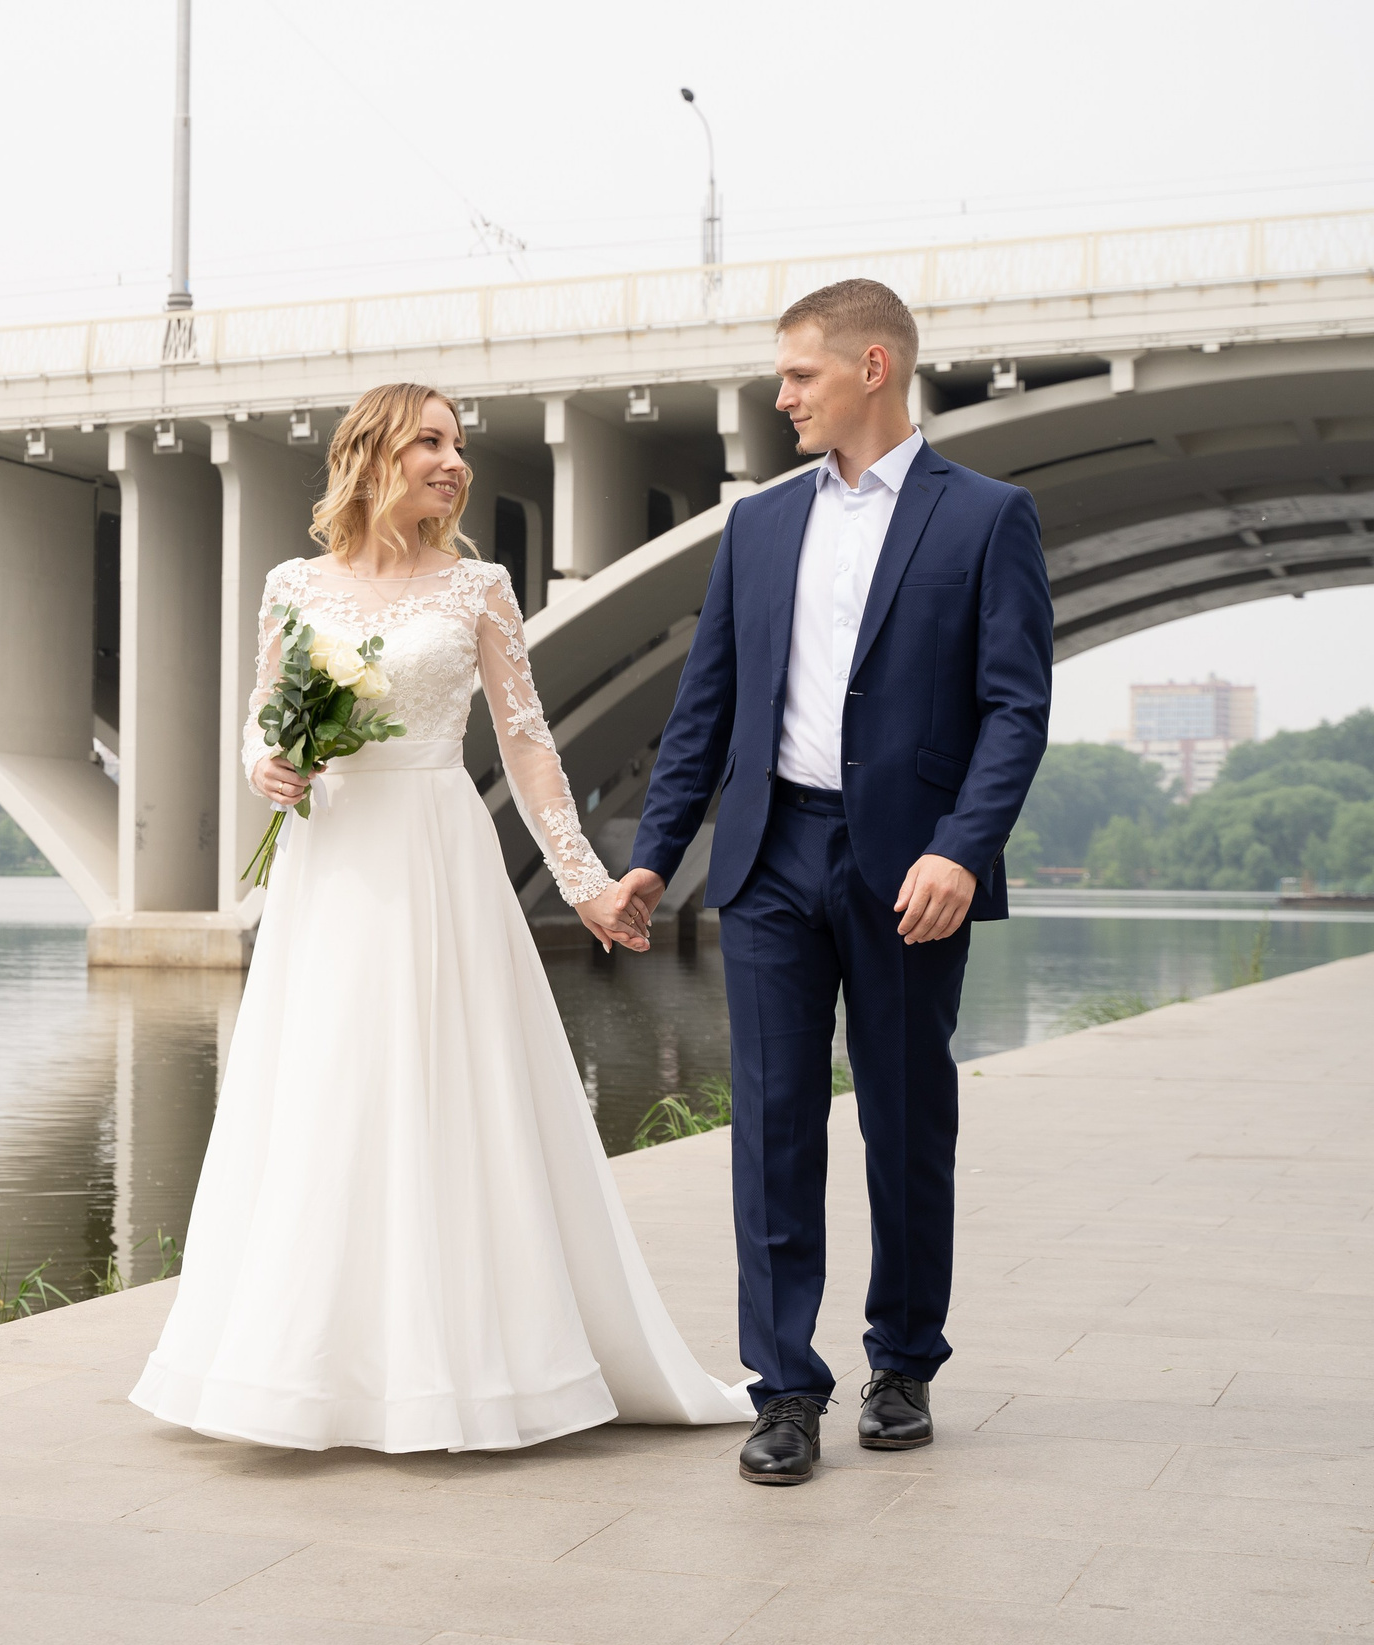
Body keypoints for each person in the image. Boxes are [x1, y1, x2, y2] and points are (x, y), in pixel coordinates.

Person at [129, 382, 752, 1453]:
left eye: (458, 446)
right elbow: (258, 721)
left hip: (433, 855)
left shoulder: (479, 590)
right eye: (430, 442)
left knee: (441, 1089)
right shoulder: (293, 584)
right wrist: (265, 766)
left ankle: (455, 1368)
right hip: (330, 863)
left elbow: (527, 745)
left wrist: (583, 882)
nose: (453, 462)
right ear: (372, 454)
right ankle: (302, 1373)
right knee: (324, 1092)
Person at [605, 279, 1053, 1484]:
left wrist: (960, 847)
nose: (780, 394)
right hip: (768, 859)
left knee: (908, 1119)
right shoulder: (757, 524)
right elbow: (705, 710)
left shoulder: (987, 518)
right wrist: (652, 859)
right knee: (771, 1125)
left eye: (797, 375)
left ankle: (902, 1362)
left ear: (870, 367)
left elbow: (1015, 710)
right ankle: (783, 1390)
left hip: (910, 863)